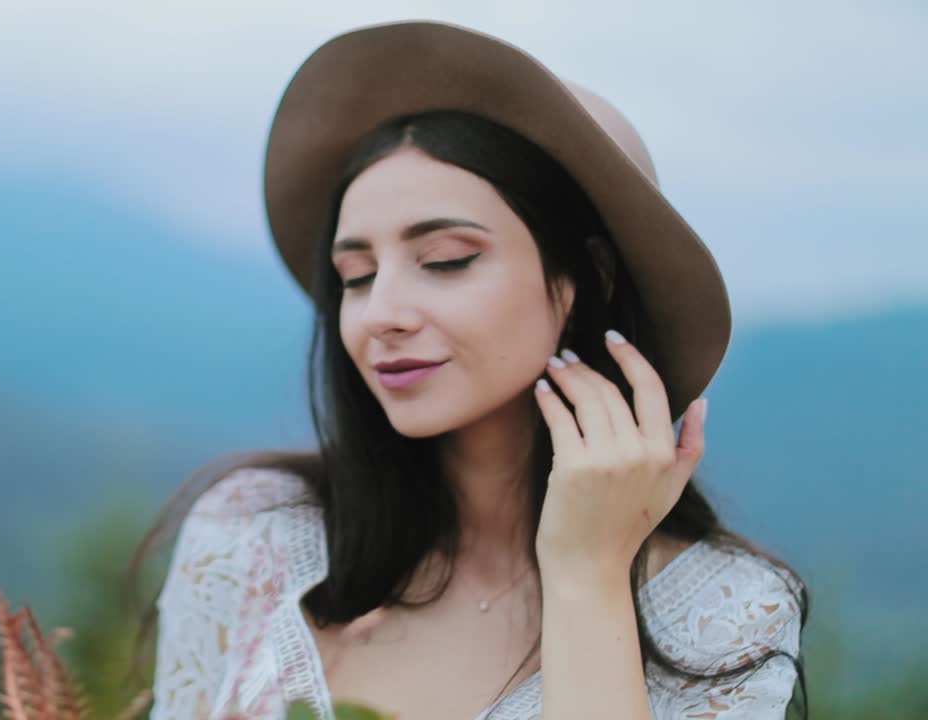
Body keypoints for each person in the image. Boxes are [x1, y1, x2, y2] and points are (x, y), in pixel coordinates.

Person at [128, 20, 807, 720]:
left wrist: (587, 575)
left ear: (585, 281)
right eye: (355, 276)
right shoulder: (255, 537)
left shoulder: (724, 611)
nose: (378, 313)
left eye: (446, 260)